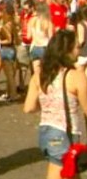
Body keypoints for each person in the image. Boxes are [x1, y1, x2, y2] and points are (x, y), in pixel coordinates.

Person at [24, 29, 87, 179]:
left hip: (46, 130)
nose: (79, 52)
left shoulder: (40, 75)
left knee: (70, 172)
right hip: (65, 133)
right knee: (59, 172)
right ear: (67, 50)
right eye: (77, 47)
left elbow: (29, 107)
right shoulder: (75, 76)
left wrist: (49, 103)